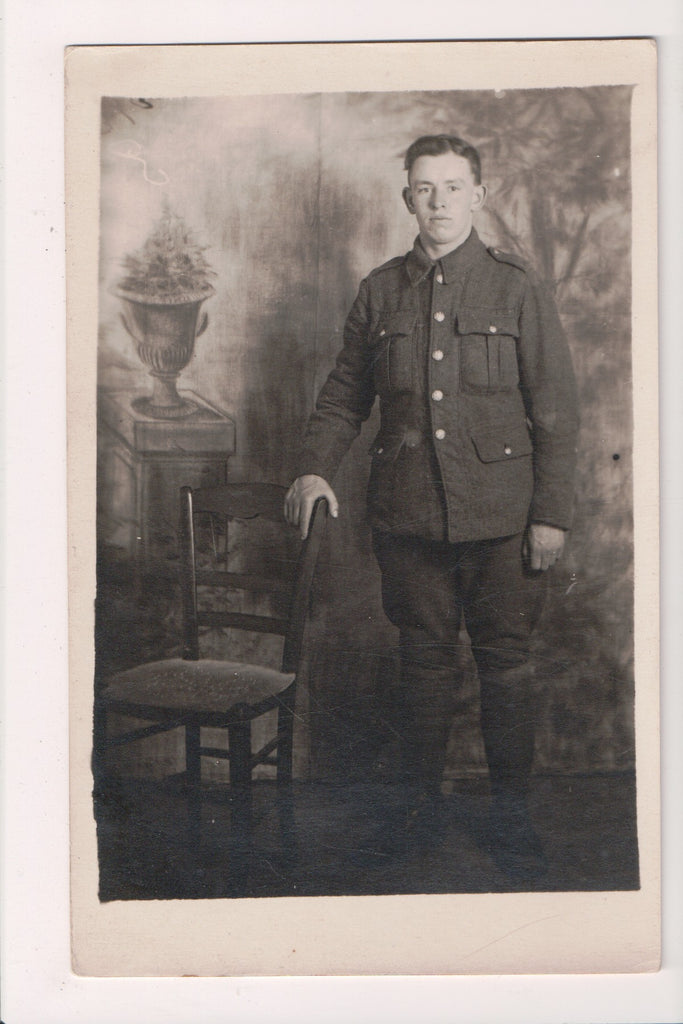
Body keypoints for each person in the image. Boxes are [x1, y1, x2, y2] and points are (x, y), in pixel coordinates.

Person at [284, 134, 579, 879]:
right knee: (422, 669)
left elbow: (555, 412)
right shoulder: (380, 291)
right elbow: (345, 395)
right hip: (408, 518)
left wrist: (551, 514)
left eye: (453, 186)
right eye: (424, 187)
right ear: (406, 198)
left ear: (478, 194)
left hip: (503, 520)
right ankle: (418, 816)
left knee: (504, 668)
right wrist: (315, 470)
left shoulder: (516, 286)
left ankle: (510, 823)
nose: (439, 200)